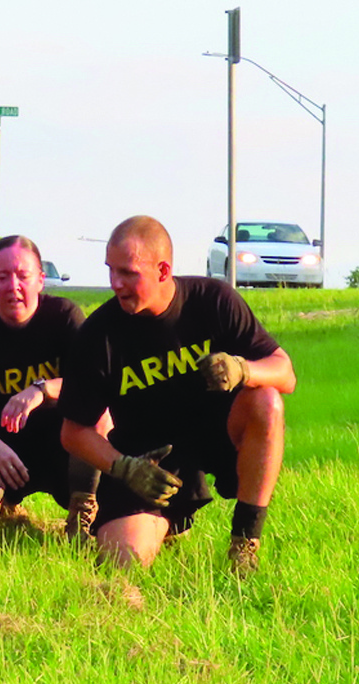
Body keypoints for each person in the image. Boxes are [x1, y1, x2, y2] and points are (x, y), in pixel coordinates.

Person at [60, 215, 296, 574]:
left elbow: (284, 373)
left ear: (163, 270)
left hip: (218, 437)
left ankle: (245, 543)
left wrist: (243, 370)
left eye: (128, 273)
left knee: (266, 399)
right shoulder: (98, 335)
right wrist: (122, 467)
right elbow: (74, 432)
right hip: (148, 458)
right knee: (122, 564)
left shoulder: (214, 301)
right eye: (111, 271)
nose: (116, 284)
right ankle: (166, 524)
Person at [0, 235, 104, 539]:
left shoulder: (65, 317)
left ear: (40, 280)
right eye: (2, 277)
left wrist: (39, 390)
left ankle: (82, 514)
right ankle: (2, 513)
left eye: (23, 276)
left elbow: (90, 384)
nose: (13, 286)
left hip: (66, 447)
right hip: (4, 452)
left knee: (100, 415)